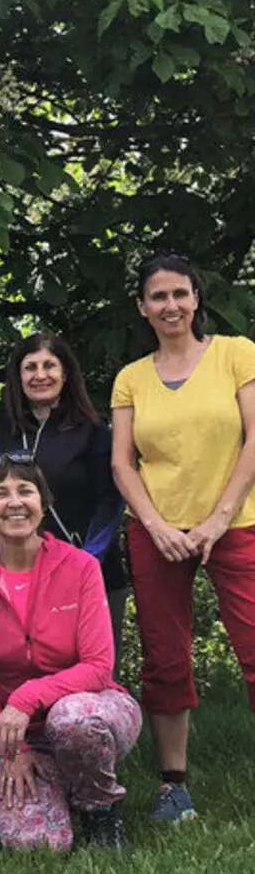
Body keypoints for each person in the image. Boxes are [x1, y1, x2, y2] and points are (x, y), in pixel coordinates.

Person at [111, 254, 255, 825]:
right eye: (158, 297)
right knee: (165, 656)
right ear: (142, 308)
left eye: (180, 294)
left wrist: (218, 518)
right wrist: (156, 526)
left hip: (236, 524)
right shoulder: (131, 377)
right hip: (157, 531)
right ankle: (174, 787)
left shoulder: (236, 354)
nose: (170, 305)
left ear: (196, 299)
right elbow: (122, 464)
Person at [0, 458, 142, 851]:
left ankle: (100, 808)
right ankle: (60, 788)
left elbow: (98, 667)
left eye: (26, 491)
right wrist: (12, 748)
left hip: (89, 710)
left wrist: (26, 698)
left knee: (72, 720)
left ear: (44, 503)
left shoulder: (81, 566)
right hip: (15, 733)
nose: (14, 502)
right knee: (36, 846)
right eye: (0, 494)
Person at [0, 332, 125, 655]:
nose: (40, 375)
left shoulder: (93, 431)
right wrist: (1, 557)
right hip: (20, 576)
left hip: (91, 572)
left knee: (94, 668)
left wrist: (85, 561)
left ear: (65, 373)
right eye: (30, 367)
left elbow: (111, 501)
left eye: (49, 365)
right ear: (18, 377)